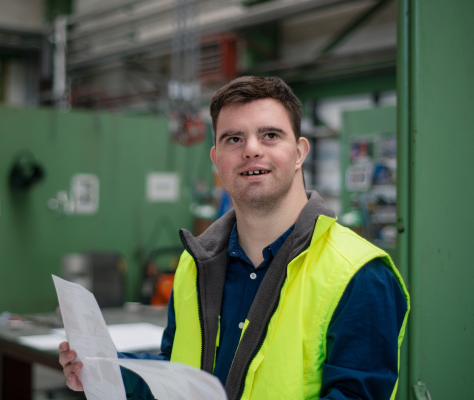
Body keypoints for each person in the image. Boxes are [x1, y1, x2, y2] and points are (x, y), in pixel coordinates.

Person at [59, 76, 410, 400]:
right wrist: (106, 369)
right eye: (233, 139)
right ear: (216, 159)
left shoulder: (358, 275)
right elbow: (178, 374)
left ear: (300, 152)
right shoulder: (193, 265)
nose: (251, 150)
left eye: (270, 135)